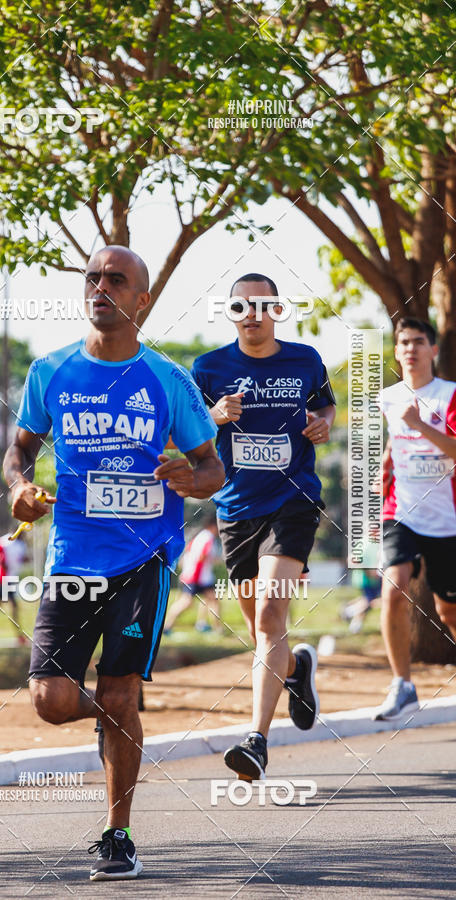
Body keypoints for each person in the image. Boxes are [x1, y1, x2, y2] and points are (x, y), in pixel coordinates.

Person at [4, 245, 223, 881]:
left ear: (140, 300)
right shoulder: (50, 371)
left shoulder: (169, 379)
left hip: (144, 559)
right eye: (93, 278)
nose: (100, 286)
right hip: (72, 558)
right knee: (50, 700)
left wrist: (194, 476)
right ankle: (122, 717)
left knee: (121, 689)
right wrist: (19, 488)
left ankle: (117, 832)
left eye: (116, 280)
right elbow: (19, 452)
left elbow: (213, 466)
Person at [191, 273, 335, 780]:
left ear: (277, 309)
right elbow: (188, 433)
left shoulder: (305, 359)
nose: (251, 313)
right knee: (260, 633)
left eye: (262, 304)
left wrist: (325, 424)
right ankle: (296, 670)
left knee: (272, 614)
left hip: (293, 501)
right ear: (229, 312)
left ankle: (256, 740)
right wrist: (213, 415)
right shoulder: (208, 368)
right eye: (240, 305)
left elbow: (324, 405)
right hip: (235, 509)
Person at [375, 317, 456, 720]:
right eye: (403, 342)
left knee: (449, 612)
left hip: (447, 519)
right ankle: (402, 685)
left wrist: (419, 424)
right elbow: (395, 435)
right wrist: (387, 464)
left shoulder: (449, 395)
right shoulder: (388, 397)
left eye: (419, 342)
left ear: (433, 350)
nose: (410, 348)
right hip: (401, 511)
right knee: (394, 587)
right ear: (396, 351)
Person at [164, 513, 222, 634]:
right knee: (186, 602)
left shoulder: (200, 536)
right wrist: (218, 560)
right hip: (197, 576)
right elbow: (202, 556)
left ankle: (206, 625)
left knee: (212, 599)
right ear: (213, 526)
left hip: (200, 576)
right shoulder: (208, 538)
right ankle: (166, 626)